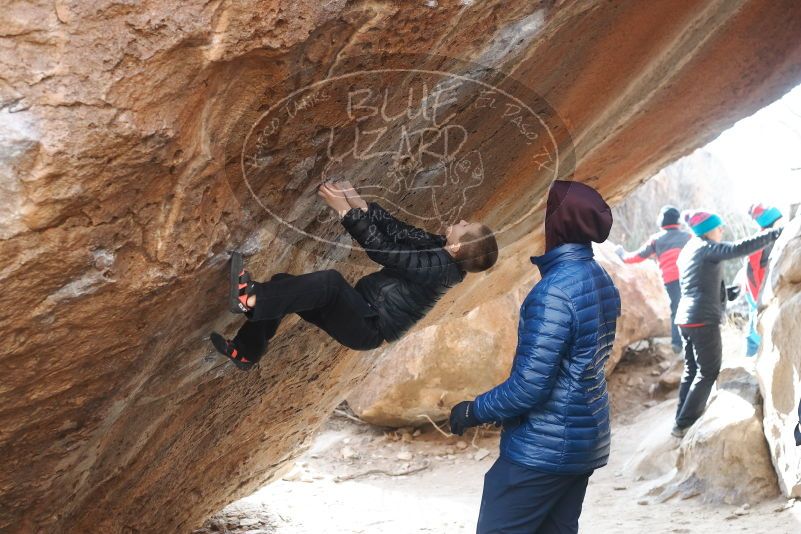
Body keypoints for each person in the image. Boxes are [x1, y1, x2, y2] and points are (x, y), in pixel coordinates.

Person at [449, 180, 620, 534]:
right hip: (584, 440)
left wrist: (471, 411)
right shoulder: (600, 278)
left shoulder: (553, 293)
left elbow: (530, 386)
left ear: (558, 221)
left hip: (543, 448)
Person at [210, 181, 498, 370]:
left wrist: (345, 213)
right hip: (360, 309)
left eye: (465, 225)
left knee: (329, 283)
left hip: (368, 327)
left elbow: (384, 252)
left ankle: (248, 299)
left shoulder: (439, 270)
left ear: (458, 246)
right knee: (284, 286)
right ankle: (247, 351)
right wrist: (359, 203)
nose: (461, 221)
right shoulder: (439, 249)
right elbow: (398, 233)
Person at [671, 210, 782, 437]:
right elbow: (736, 249)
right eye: (718, 227)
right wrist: (774, 233)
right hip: (702, 320)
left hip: (685, 318)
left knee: (692, 369)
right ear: (707, 230)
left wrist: (727, 293)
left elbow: (697, 283)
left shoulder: (690, 249)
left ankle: (680, 418)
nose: (722, 230)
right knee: (708, 371)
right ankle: (684, 424)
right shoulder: (706, 247)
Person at [617, 205, 691, 353]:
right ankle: (693, 343)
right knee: (692, 307)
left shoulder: (656, 240)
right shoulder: (688, 237)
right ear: (678, 222)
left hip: (671, 280)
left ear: (661, 222)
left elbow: (637, 257)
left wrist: (622, 254)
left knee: (676, 309)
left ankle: (677, 345)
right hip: (689, 275)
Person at [742, 203, 783, 356]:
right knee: (756, 325)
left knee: (758, 324)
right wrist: (759, 297)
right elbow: (752, 270)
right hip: (757, 289)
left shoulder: (769, 236)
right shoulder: (765, 238)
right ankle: (752, 357)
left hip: (759, 287)